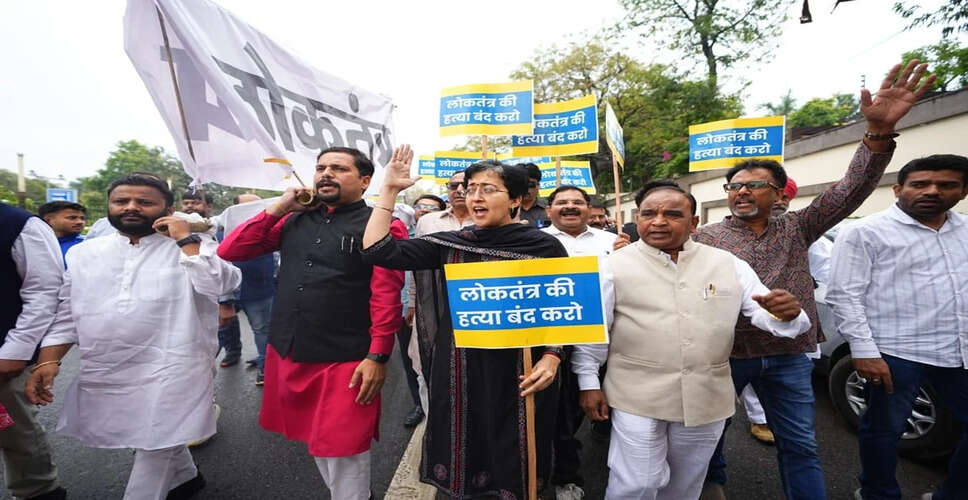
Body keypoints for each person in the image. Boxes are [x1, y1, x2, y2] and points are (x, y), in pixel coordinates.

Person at [695, 60, 936, 500]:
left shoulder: (799, 227)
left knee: (801, 446)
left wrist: (878, 134)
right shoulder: (702, 237)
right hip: (724, 354)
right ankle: (711, 488)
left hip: (789, 354)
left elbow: (851, 189)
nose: (741, 191)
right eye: (734, 185)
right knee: (707, 439)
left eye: (755, 184)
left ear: (779, 193)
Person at [574, 180, 810, 500]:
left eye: (672, 214)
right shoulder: (611, 266)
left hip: (707, 394)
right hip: (635, 394)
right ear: (638, 218)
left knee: (686, 484)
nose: (658, 221)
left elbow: (767, 315)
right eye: (648, 214)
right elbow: (594, 332)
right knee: (637, 482)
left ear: (694, 223)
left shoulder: (728, 264)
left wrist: (788, 314)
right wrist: (589, 382)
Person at [361, 148, 568, 499]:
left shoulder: (543, 247)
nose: (474, 196)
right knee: (463, 438)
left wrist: (552, 356)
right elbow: (377, 250)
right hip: (459, 364)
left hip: (522, 364)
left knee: (518, 445)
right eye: (470, 188)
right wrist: (389, 191)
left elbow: (564, 307)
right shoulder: (450, 244)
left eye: (488, 189)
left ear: (516, 199)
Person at [25, 173, 241, 499]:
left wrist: (185, 239)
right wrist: (49, 359)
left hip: (177, 365)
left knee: (158, 434)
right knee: (154, 434)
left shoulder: (195, 246)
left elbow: (222, 284)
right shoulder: (83, 254)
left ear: (167, 208)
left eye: (144, 202)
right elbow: (68, 312)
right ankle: (185, 478)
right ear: (109, 205)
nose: (131, 207)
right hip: (111, 364)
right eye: (121, 201)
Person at [217, 147, 404, 500]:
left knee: (345, 446)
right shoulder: (293, 218)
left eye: (338, 168)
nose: (325, 174)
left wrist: (378, 356)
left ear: (365, 181)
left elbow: (385, 295)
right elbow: (230, 251)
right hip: (291, 347)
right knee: (318, 440)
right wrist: (280, 206)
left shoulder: (382, 224)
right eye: (320, 168)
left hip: (347, 356)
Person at [827, 154, 968, 500]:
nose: (932, 191)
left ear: (964, 191)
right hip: (894, 352)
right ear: (897, 189)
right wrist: (863, 352)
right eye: (920, 184)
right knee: (883, 431)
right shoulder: (864, 232)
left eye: (946, 185)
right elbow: (845, 295)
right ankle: (878, 492)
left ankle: (953, 492)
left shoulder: (966, 230)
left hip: (959, 350)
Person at [542, 185, 630, 500]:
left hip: (613, 340)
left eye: (577, 202)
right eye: (561, 202)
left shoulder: (614, 243)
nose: (570, 207)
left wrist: (628, 257)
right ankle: (566, 477)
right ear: (548, 209)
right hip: (557, 344)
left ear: (588, 208)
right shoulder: (535, 242)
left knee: (619, 412)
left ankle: (628, 472)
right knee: (562, 418)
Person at [0, 202, 66, 500]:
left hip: (4, 353)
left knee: (14, 432)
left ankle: (37, 491)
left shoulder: (19, 224)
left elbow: (44, 292)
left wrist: (15, 351)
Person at [226, 193, 277, 386]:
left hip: (260, 292)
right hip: (228, 292)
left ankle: (265, 367)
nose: (254, 211)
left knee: (263, 329)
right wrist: (224, 300)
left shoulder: (270, 230)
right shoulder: (222, 232)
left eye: (258, 206)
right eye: (247, 207)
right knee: (219, 330)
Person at [517, 163, 550, 227]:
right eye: (521, 185)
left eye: (530, 185)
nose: (526, 189)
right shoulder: (505, 210)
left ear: (538, 185)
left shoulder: (549, 208)